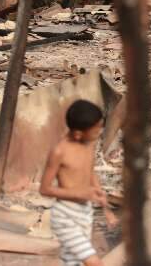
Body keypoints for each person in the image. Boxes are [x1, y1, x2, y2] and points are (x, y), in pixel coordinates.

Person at [40, 100, 118, 266]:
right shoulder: (59, 151)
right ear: (78, 133)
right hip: (65, 216)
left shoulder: (88, 145)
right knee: (94, 262)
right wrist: (79, 193)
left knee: (74, 262)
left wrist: (106, 209)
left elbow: (90, 173)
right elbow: (45, 189)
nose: (100, 132)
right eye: (96, 129)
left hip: (84, 213)